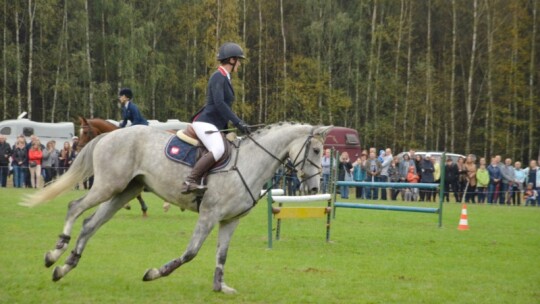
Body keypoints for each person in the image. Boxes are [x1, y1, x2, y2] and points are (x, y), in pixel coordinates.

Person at [181, 42, 250, 194]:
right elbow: (219, 104)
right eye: (238, 60)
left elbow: (222, 108)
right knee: (218, 149)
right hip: (205, 122)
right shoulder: (218, 76)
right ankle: (190, 181)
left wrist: (229, 129)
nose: (239, 63)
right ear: (231, 60)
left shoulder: (225, 77)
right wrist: (238, 122)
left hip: (214, 124)